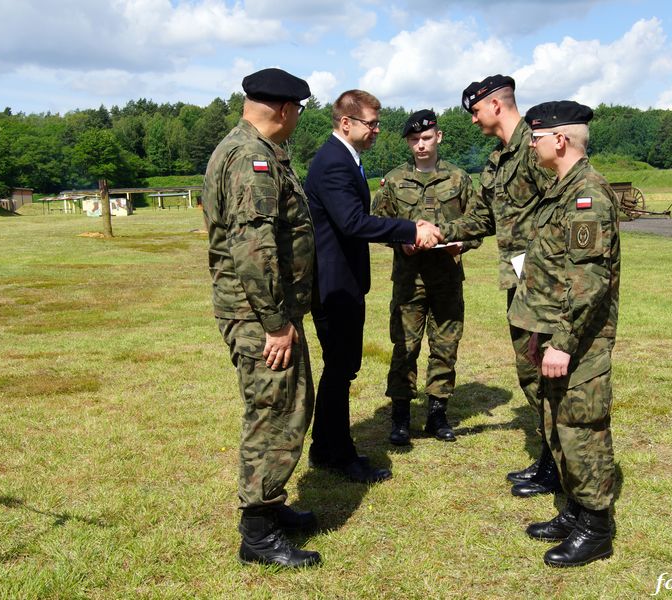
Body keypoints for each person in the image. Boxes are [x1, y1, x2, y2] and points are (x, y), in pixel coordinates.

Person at [202, 68, 320, 568]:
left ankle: (271, 504)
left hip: (264, 309)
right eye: (299, 112)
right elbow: (254, 248)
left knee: (288, 404)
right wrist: (275, 322)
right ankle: (257, 532)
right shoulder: (252, 158)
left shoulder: (250, 149)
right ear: (286, 109)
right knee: (274, 413)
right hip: (259, 314)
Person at [305, 90, 442, 483]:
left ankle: (325, 447)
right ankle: (339, 454)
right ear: (346, 122)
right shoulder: (334, 162)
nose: (377, 130)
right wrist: (410, 228)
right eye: (372, 123)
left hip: (343, 281)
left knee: (341, 368)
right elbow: (352, 222)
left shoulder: (345, 157)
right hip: (335, 286)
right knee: (340, 369)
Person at [507, 100, 620, 568]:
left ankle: (596, 527)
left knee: (581, 427)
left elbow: (588, 281)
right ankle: (574, 510)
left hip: (579, 339)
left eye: (536, 138)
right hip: (554, 330)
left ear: (559, 140)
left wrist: (562, 343)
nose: (530, 145)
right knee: (558, 424)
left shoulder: (586, 194)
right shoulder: (562, 189)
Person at [439, 75, 558, 498]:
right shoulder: (497, 160)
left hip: (545, 281)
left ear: (495, 105)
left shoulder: (536, 148)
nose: (473, 120)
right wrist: (440, 233)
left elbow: (561, 210)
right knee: (530, 372)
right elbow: (483, 219)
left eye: (475, 111)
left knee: (547, 372)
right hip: (519, 280)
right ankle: (550, 457)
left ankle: (560, 465)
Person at [371, 109, 481, 446]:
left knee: (445, 347)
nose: (421, 145)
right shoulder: (394, 180)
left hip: (447, 278)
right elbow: (376, 224)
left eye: (427, 138)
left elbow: (478, 223)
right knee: (405, 347)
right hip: (409, 280)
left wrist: (462, 243)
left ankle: (437, 414)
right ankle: (401, 418)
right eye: (414, 139)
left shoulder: (459, 179)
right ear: (408, 142)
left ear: (439, 137)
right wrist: (400, 241)